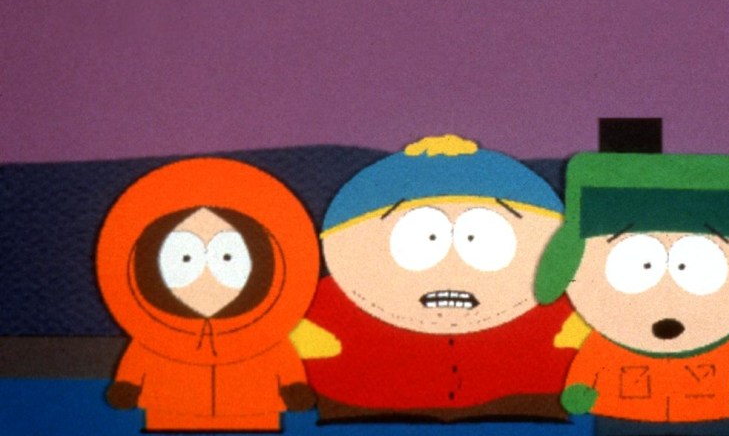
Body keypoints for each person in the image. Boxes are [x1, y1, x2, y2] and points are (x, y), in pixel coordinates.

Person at [293, 134, 578, 422]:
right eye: (422, 239)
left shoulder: (554, 301)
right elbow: (300, 332)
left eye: (481, 239)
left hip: (524, 406)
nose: (452, 267)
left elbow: (573, 332)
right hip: (365, 409)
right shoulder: (329, 302)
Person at [535, 151, 729, 436]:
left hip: (709, 414)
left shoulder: (725, 346)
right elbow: (592, 362)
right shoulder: (607, 345)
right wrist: (581, 386)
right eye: (636, 265)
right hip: (623, 413)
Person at [96, 157, 319, 432]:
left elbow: (282, 361)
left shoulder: (265, 337)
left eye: (227, 257)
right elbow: (138, 360)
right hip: (170, 415)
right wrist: (128, 386)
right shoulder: (155, 337)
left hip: (253, 415)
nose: (206, 275)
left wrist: (293, 387)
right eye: (184, 258)